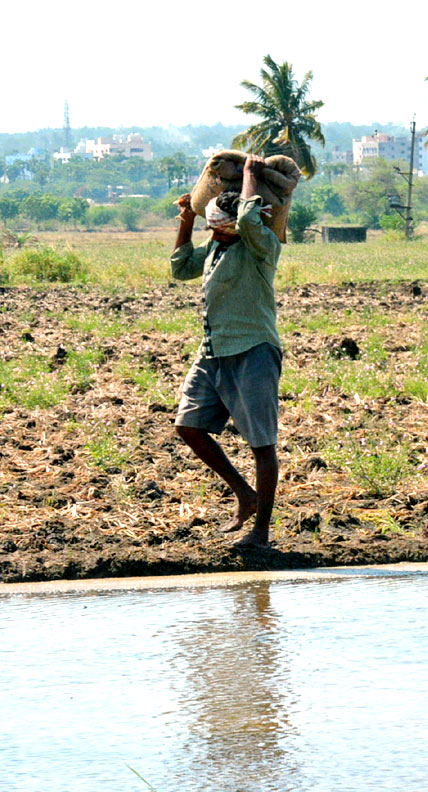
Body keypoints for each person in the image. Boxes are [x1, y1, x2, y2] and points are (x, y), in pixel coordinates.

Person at [171, 154, 282, 549]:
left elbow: (251, 220)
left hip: (252, 350)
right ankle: (245, 495)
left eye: (219, 228)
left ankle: (262, 533)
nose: (214, 232)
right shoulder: (217, 247)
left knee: (262, 444)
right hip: (213, 350)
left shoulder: (261, 246)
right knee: (189, 426)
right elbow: (181, 267)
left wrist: (251, 173)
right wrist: (187, 219)